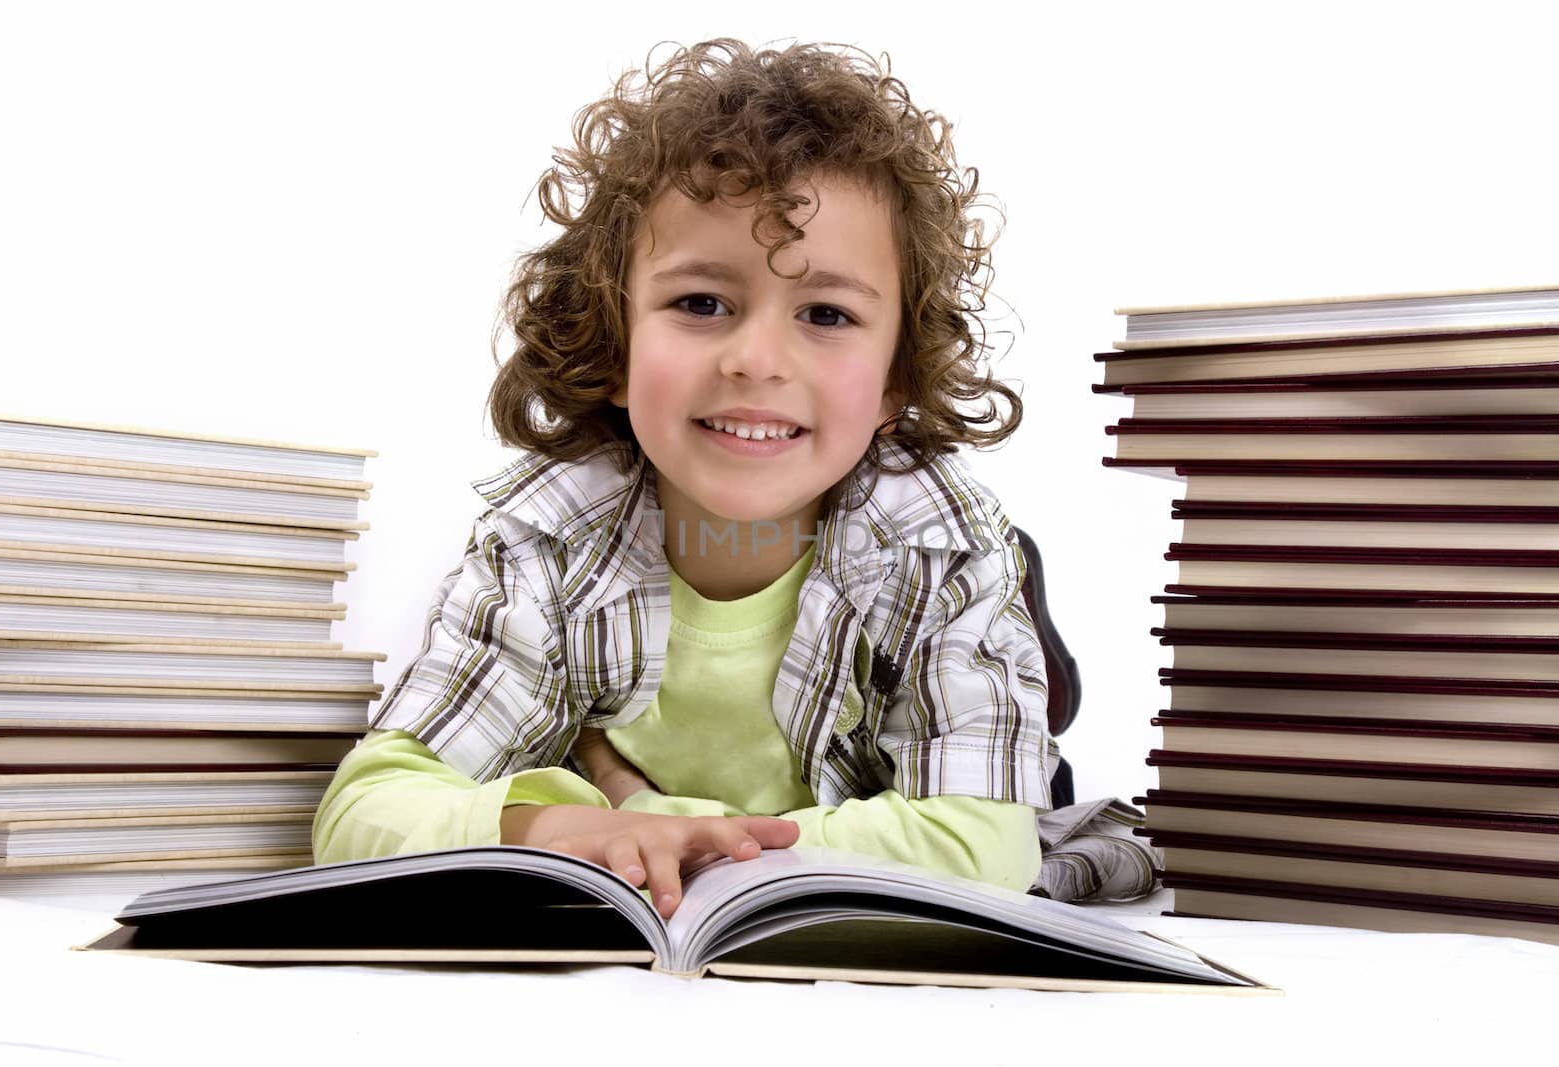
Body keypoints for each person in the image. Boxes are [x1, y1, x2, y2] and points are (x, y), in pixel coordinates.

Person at [313, 38, 1081, 921]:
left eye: (826, 314)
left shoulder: (944, 552)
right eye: (701, 303)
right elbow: (362, 813)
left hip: (912, 689)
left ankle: (1041, 671)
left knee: (1047, 794)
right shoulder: (547, 541)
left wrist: (653, 820)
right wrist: (540, 827)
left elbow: (986, 846)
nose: (755, 360)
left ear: (893, 383)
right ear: (616, 340)